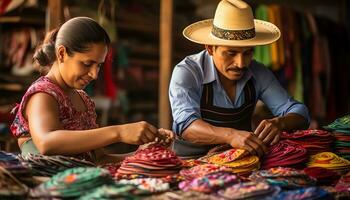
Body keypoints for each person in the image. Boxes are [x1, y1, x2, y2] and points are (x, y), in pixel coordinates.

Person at [10, 17, 172, 164]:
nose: (95, 74)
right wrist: (119, 132)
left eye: (99, 65)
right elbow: (47, 142)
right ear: (61, 54)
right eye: (87, 64)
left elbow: (99, 159)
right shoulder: (43, 94)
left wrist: (142, 154)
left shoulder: (84, 100)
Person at [169, 0, 310, 159]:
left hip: (241, 162)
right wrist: (231, 135)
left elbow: (300, 112)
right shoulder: (188, 72)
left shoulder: (258, 72)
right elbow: (186, 126)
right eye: (231, 53)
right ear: (209, 48)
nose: (241, 63)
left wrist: (280, 123)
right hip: (190, 161)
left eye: (248, 53)